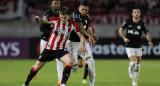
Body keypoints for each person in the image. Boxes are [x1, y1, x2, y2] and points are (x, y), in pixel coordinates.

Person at [22, 7, 87, 86]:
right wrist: (38, 20)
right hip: (49, 49)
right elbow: (43, 21)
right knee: (36, 67)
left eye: (65, 17)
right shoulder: (55, 20)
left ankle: (63, 83)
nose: (63, 19)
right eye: (61, 17)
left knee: (70, 61)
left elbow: (81, 36)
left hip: (60, 50)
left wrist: (83, 46)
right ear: (59, 16)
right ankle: (26, 83)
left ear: (68, 16)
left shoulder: (73, 24)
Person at [67, 1, 98, 86]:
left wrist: (91, 36)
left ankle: (92, 84)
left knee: (91, 62)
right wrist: (89, 35)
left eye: (86, 10)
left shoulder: (86, 18)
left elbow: (85, 31)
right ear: (78, 8)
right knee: (75, 68)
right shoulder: (75, 14)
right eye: (82, 9)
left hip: (82, 42)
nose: (84, 11)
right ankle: (72, 67)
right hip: (72, 43)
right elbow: (79, 28)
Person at [119, 8, 153, 86]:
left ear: (140, 14)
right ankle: (129, 69)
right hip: (129, 45)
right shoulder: (127, 22)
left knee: (138, 65)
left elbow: (147, 33)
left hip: (138, 46)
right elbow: (120, 30)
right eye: (135, 12)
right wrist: (124, 38)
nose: (136, 13)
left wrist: (149, 41)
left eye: (138, 12)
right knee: (133, 61)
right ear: (132, 14)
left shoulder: (142, 24)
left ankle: (134, 81)